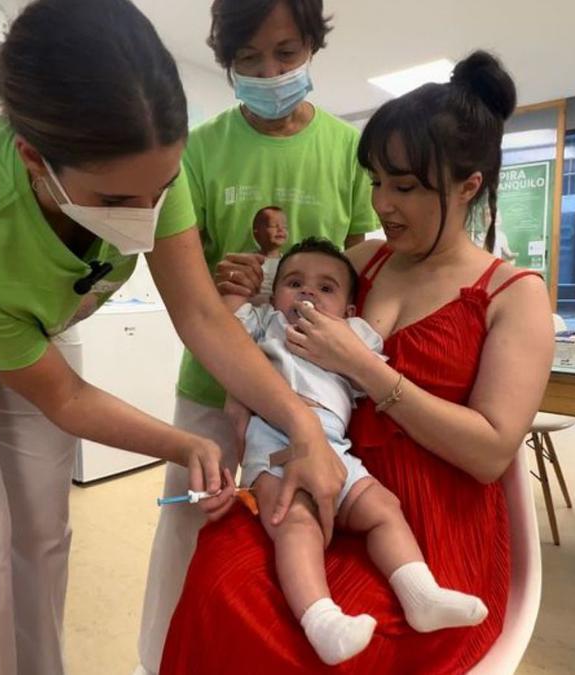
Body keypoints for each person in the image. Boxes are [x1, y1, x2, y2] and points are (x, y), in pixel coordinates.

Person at [0, 1, 341, 673]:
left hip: (31, 321)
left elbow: (203, 317)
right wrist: (185, 442)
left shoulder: (151, 162)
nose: (143, 215)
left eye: (157, 192)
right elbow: (66, 398)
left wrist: (302, 425)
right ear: (33, 158)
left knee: (42, 532)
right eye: (113, 200)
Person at [161, 50, 555, 673]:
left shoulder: (514, 294)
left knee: (302, 649)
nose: (383, 204)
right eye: (375, 182)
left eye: (404, 187)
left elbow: (489, 453)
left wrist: (369, 368)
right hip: (314, 468)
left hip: (425, 523)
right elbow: (266, 325)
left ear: (468, 185)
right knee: (219, 583)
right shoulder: (364, 260)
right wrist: (238, 284)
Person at [136, 2, 378, 669]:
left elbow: (358, 268)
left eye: (286, 54)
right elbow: (188, 288)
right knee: (188, 526)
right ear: (227, 62)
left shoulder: (347, 150)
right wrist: (221, 282)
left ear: (312, 48)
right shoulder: (200, 151)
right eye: (249, 60)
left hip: (314, 388)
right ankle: (159, 661)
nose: (270, 73)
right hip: (217, 381)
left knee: (302, 527)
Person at [226, 237, 488, 665]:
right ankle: (322, 619)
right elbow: (224, 329)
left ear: (349, 310)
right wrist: (241, 285)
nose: (308, 292)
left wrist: (351, 353)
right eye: (295, 283)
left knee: (384, 508)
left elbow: (376, 374)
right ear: (275, 297)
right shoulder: (266, 323)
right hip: (276, 448)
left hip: (336, 451)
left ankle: (421, 595)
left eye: (326, 288)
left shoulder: (354, 336)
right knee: (297, 522)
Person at [249, 205, 287, 305]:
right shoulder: (250, 262)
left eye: (284, 227)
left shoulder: (288, 263)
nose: (280, 230)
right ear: (257, 232)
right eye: (273, 226)